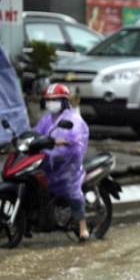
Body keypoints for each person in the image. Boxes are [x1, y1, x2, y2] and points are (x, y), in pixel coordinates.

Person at [33, 84, 90, 241]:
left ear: (63, 101)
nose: (51, 103)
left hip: (68, 160)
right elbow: (36, 132)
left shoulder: (73, 118)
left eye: (55, 100)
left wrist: (66, 141)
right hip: (50, 159)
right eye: (49, 100)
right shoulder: (47, 119)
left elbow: (78, 136)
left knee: (70, 188)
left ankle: (83, 226)